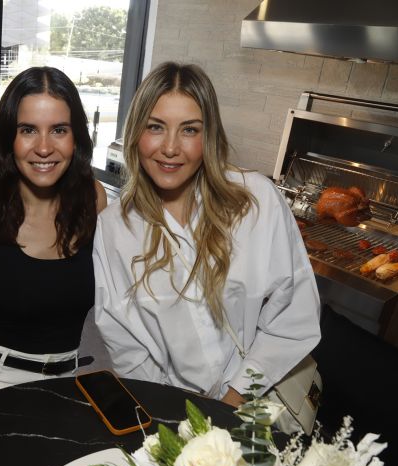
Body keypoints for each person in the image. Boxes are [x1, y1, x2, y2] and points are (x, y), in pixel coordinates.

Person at [92, 62, 321, 408]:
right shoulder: (114, 228)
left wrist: (233, 399)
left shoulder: (255, 201)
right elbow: (126, 344)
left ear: (208, 136)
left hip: (259, 405)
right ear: (137, 132)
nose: (170, 148)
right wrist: (172, 414)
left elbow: (293, 315)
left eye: (189, 130)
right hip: (179, 412)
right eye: (156, 127)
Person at [0, 66, 107, 409]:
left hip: (68, 380)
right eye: (28, 130)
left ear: (75, 136)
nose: (44, 147)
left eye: (59, 130)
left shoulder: (93, 200)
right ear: (9, 138)